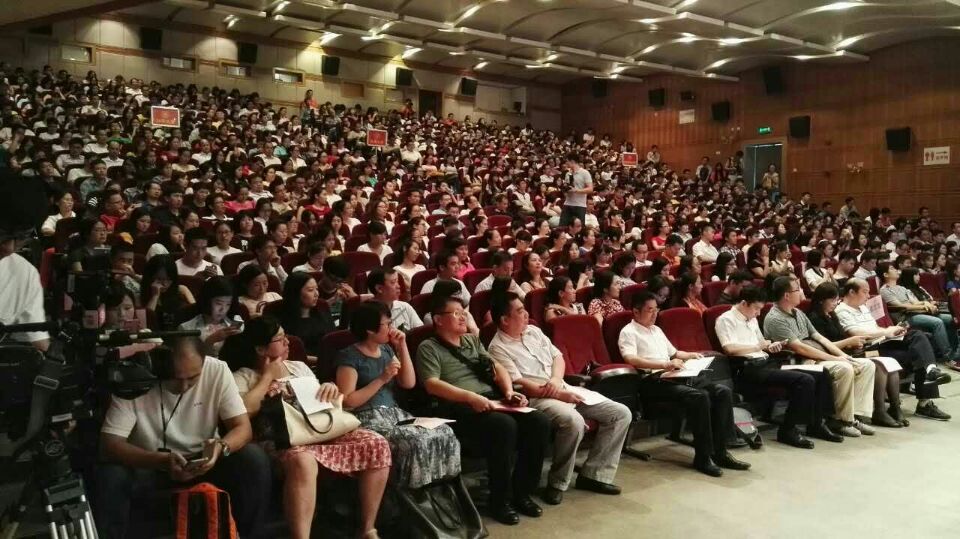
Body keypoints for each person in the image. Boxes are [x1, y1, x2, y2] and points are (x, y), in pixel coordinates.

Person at [96, 336, 270, 539]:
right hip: (149, 463)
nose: (184, 386)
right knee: (111, 474)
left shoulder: (217, 370)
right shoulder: (134, 377)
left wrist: (221, 447)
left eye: (193, 378)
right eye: (176, 378)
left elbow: (243, 428)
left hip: (203, 461)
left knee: (253, 458)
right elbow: (110, 443)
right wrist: (159, 461)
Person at [232, 317, 389, 539]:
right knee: (303, 460)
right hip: (283, 440)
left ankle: (367, 528)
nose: (287, 342)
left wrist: (329, 387)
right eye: (279, 338)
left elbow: (320, 401)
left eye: (286, 336)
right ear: (260, 349)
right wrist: (267, 377)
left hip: (319, 430)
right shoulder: (243, 376)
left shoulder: (299, 367)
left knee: (376, 443)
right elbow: (244, 410)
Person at [415, 295, 551, 525]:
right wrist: (470, 397)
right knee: (504, 426)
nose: (463, 317)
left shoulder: (471, 341)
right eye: (456, 313)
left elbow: (496, 367)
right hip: (458, 407)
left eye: (464, 312)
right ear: (438, 319)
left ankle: (522, 493)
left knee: (539, 421)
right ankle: (499, 501)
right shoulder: (428, 347)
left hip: (491, 401)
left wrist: (508, 392)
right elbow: (432, 384)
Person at [489, 293, 630, 503]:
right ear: (504, 319)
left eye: (524, 308)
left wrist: (556, 380)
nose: (526, 314)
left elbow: (558, 357)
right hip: (537, 399)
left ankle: (594, 475)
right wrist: (561, 394)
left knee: (620, 413)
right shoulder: (497, 348)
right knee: (574, 422)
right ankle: (557, 482)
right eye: (519, 311)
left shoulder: (534, 331)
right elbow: (522, 384)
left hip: (562, 387)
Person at [618, 292, 751, 476]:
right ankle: (703, 457)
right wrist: (663, 365)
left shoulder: (656, 330)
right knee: (699, 396)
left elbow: (674, 353)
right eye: (650, 310)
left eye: (656, 310)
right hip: (652, 380)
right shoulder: (628, 332)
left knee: (722, 392)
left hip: (674, 374)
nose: (655, 314)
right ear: (635, 311)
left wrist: (691, 355)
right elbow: (631, 359)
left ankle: (721, 451)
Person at [336, 301, 461, 489]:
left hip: (395, 414)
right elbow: (348, 402)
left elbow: (408, 383)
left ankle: (440, 489)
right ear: (370, 330)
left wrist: (402, 346)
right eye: (387, 324)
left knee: (444, 431)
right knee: (413, 440)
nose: (391, 328)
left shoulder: (386, 349)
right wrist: (382, 378)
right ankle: (410, 491)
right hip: (367, 417)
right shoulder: (349, 357)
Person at [763, 276, 876, 438]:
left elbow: (820, 338)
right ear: (787, 295)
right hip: (796, 360)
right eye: (797, 289)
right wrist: (835, 359)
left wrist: (844, 355)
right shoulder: (775, 318)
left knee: (865, 365)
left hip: (814, 356)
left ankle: (854, 416)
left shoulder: (798, 313)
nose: (801, 292)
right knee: (844, 368)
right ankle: (840, 420)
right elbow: (800, 348)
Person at [713, 286, 820, 449]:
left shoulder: (752, 319)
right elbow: (730, 349)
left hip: (766, 362)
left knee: (819, 373)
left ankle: (817, 424)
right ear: (744, 303)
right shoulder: (725, 319)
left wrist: (770, 346)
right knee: (804, 380)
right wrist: (759, 347)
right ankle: (788, 430)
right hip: (746, 368)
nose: (758, 313)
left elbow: (761, 343)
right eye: (756, 308)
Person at [835, 278, 951, 421]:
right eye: (865, 292)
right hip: (866, 349)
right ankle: (924, 399)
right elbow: (856, 333)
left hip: (882, 342)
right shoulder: (841, 310)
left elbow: (875, 328)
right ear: (852, 292)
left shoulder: (863, 307)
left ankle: (930, 372)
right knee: (920, 354)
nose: (868, 296)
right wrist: (886, 332)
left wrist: (892, 330)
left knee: (919, 337)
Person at [805, 282, 901, 427]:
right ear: (821, 300)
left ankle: (860, 414)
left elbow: (840, 338)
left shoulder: (832, 315)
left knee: (881, 363)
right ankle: (852, 416)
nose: (835, 303)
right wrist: (848, 342)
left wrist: (851, 344)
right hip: (824, 356)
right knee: (876, 365)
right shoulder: (814, 318)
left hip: (846, 352)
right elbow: (822, 346)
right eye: (832, 300)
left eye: (836, 299)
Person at [0, 173, 50, 350]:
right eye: (2, 234)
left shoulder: (24, 272)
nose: (9, 248)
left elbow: (38, 343)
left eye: (21, 237)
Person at [878, 262, 959, 360]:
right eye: (892, 268)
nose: (895, 270)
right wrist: (925, 306)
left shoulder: (901, 288)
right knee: (937, 322)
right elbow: (902, 306)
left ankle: (954, 350)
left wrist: (925, 304)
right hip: (906, 317)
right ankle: (948, 355)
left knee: (951, 319)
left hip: (917, 312)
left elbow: (915, 302)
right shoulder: (885, 290)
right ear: (885, 274)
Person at [276, 271, 336, 359]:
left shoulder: (322, 309)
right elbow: (289, 352)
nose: (316, 294)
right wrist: (320, 360)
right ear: (296, 293)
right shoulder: (281, 319)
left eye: (317, 289)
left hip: (327, 360)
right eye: (310, 290)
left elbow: (333, 339)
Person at [178, 276, 242, 357]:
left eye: (228, 304)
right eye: (218, 303)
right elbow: (186, 359)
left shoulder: (233, 325)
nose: (223, 309)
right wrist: (210, 341)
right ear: (207, 301)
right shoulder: (187, 328)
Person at [141, 254, 195, 330]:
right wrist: (155, 296)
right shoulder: (140, 294)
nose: (165, 284)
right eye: (159, 279)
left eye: (168, 279)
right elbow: (145, 325)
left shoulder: (180, 290)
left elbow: (196, 313)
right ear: (150, 277)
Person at [368, 268, 423, 332]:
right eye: (393, 282)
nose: (398, 286)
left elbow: (420, 333)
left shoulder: (405, 307)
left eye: (397, 281)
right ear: (379, 288)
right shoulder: (367, 313)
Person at [560, 153, 592, 226]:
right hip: (567, 203)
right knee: (562, 227)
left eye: (567, 161)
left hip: (580, 205)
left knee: (579, 228)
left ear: (572, 161)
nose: (566, 163)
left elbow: (590, 189)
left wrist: (576, 190)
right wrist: (565, 188)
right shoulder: (567, 174)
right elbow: (567, 187)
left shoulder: (585, 173)